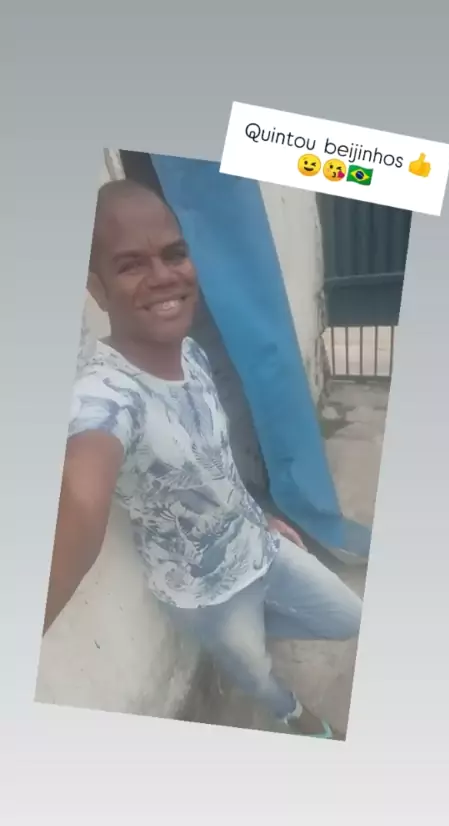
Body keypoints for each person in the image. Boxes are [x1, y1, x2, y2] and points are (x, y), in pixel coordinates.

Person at [44, 178, 362, 737]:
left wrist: (258, 516)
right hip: (207, 597)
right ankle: (293, 714)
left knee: (347, 616)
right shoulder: (104, 397)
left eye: (174, 254)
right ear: (96, 285)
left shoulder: (190, 351)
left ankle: (250, 637)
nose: (163, 276)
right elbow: (82, 500)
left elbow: (212, 460)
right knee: (257, 674)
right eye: (131, 264)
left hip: (257, 545)